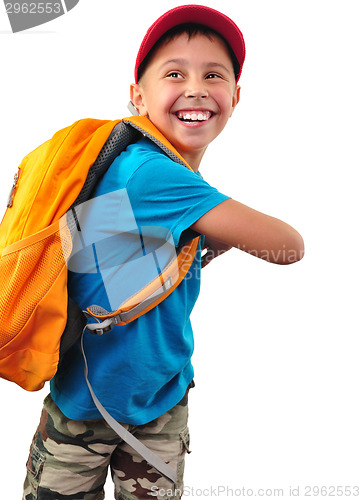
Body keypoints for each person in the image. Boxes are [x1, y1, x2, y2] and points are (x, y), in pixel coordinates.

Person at [23, 5, 304, 500]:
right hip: (96, 411)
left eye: (212, 74)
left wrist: (199, 242)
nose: (196, 86)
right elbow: (288, 248)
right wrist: (218, 226)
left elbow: (113, 272)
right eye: (175, 73)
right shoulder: (158, 176)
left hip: (148, 398)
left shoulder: (128, 164)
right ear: (137, 96)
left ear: (235, 96)